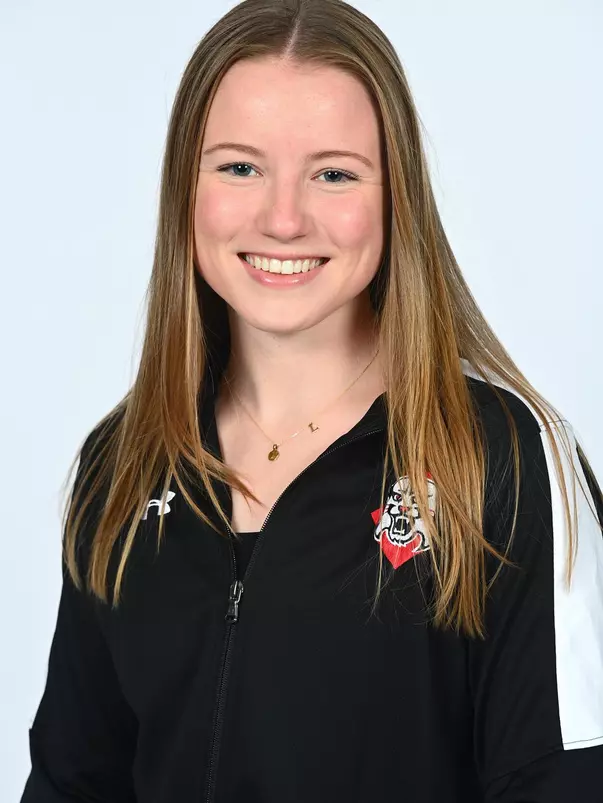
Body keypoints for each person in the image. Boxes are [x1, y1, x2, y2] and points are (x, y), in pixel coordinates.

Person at [20, 0, 603, 801]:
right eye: (238, 167)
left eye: (333, 172)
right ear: (183, 191)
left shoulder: (505, 460)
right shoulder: (121, 468)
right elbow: (71, 782)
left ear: (394, 193)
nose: (283, 218)